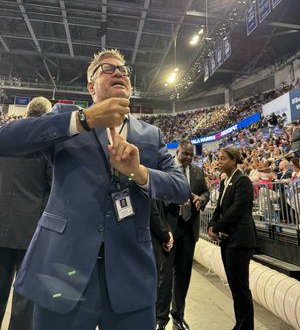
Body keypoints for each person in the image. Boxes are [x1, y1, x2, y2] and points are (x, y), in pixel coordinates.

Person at [0, 49, 190, 330]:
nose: (119, 73)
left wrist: (138, 172)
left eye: (124, 70)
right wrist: (84, 119)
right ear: (90, 86)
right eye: (108, 68)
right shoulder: (66, 117)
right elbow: (7, 140)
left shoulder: (150, 134)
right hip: (63, 269)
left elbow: (181, 188)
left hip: (129, 275)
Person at [0, 97, 53, 330]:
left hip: (1, 225)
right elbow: (55, 188)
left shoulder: (5, 136)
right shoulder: (45, 144)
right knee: (25, 300)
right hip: (32, 231)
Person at [156, 140, 209, 330]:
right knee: (165, 276)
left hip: (189, 230)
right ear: (177, 152)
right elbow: (158, 197)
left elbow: (205, 192)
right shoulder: (166, 170)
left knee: (184, 275)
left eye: (190, 155)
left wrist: (201, 199)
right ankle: (161, 319)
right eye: (184, 153)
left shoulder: (197, 172)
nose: (187, 157)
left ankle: (178, 316)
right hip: (170, 228)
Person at [208, 147, 256, 330]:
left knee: (241, 287)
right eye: (217, 159)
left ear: (234, 161)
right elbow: (219, 207)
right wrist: (212, 224)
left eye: (222, 159)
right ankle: (240, 324)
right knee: (235, 287)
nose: (218, 162)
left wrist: (218, 226)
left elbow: (237, 209)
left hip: (240, 240)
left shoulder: (242, 180)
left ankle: (246, 327)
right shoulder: (224, 181)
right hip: (228, 240)